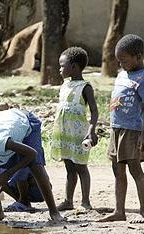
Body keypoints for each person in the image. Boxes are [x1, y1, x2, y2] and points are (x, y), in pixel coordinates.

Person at [0, 108, 64, 223]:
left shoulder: (2, 143)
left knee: (35, 165)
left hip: (27, 122)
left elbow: (32, 154)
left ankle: (54, 211)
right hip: (3, 122)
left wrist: (8, 174)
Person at [98, 34, 144, 223]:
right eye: (119, 61)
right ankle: (119, 211)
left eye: (124, 61)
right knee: (117, 170)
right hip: (117, 129)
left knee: (135, 169)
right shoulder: (122, 74)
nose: (121, 64)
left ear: (138, 57)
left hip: (132, 131)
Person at [51, 47, 98, 211]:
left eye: (62, 66)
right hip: (65, 133)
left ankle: (85, 201)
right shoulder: (65, 85)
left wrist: (91, 131)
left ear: (75, 67)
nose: (60, 69)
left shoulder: (85, 87)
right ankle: (68, 201)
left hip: (79, 134)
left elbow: (94, 110)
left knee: (81, 167)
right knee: (69, 167)